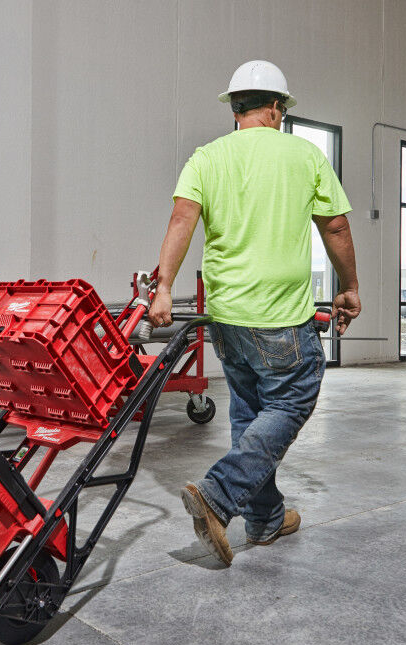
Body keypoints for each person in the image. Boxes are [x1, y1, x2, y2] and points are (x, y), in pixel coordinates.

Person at [149, 60, 360, 566]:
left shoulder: (206, 157)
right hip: (279, 317)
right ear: (276, 108)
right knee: (290, 403)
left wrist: (163, 288)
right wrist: (349, 286)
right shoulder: (304, 155)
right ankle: (218, 497)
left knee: (250, 415)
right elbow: (335, 228)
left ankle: (265, 520)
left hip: (226, 317)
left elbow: (183, 218)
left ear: (235, 108)